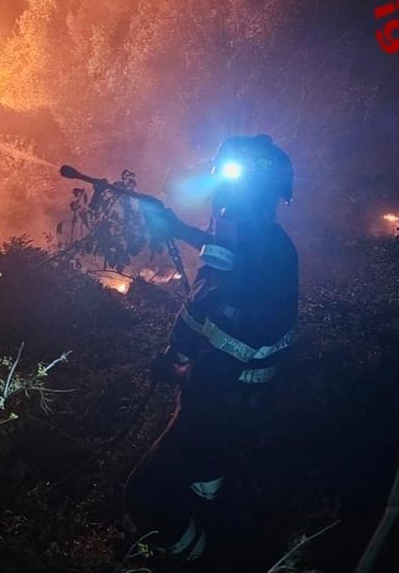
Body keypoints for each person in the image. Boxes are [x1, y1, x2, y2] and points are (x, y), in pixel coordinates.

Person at [123, 134, 299, 564]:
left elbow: (214, 314)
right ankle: (213, 517)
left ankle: (199, 561)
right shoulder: (267, 241)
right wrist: (175, 227)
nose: (219, 192)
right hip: (240, 395)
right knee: (205, 485)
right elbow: (226, 254)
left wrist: (179, 363)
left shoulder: (246, 237)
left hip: (217, 395)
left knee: (144, 498)